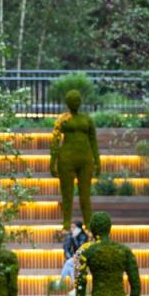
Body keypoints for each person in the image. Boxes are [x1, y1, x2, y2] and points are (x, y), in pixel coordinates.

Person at [51, 89, 100, 230]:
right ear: (68, 103)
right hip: (66, 160)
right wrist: (52, 161)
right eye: (73, 100)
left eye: (77, 100)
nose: (75, 103)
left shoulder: (87, 120)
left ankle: (89, 224)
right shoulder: (62, 120)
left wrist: (97, 161)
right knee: (67, 194)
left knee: (85, 195)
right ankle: (66, 223)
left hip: (85, 160)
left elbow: (93, 141)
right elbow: (55, 140)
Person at [60, 220, 89, 296]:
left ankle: (61, 281)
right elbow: (66, 248)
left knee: (70, 264)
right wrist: (70, 258)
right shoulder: (71, 235)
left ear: (79, 228)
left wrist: (74, 238)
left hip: (82, 258)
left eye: (74, 227)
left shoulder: (84, 236)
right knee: (70, 264)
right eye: (71, 227)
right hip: (73, 259)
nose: (72, 228)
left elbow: (80, 248)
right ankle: (75, 288)